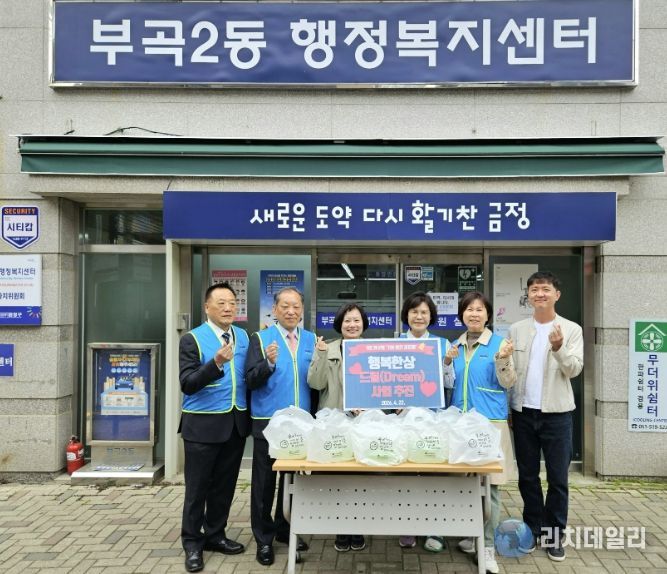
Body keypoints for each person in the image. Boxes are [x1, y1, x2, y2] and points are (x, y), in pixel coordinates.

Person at [500, 271, 583, 562]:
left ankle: (554, 535)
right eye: (534, 290)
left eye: (545, 289)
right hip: (523, 413)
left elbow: (574, 369)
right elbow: (509, 374)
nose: (539, 294)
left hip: (557, 414)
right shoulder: (517, 329)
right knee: (527, 476)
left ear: (556, 295)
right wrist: (509, 406)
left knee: (558, 478)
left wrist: (559, 348)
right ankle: (533, 528)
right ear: (528, 295)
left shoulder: (571, 329)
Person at [178, 282, 250, 573]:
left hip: (234, 424)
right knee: (197, 489)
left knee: (224, 487)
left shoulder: (244, 336)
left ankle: (215, 535)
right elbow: (188, 384)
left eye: (232, 302)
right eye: (221, 303)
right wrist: (216, 363)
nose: (228, 308)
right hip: (202, 427)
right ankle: (192, 543)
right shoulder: (192, 339)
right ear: (207, 307)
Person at [245, 287, 316, 566]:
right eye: (285, 306)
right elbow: (251, 379)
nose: (291, 311)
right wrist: (269, 363)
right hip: (269, 423)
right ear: (274, 310)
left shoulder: (311, 339)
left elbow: (315, 381)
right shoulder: (260, 339)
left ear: (302, 310)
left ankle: (286, 529)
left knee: (294, 481)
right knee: (264, 483)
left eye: (296, 306)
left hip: (301, 423)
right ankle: (263, 539)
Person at [447, 291, 515, 574]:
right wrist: (446, 362)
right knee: (465, 486)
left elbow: (508, 382)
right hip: (461, 425)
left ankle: (487, 547)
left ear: (488, 315)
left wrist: (503, 360)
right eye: (469, 309)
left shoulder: (500, 344)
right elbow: (448, 384)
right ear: (461, 315)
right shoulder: (455, 345)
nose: (474, 314)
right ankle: (469, 536)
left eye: (479, 309)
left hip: (490, 424)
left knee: (491, 489)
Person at [308, 303, 369, 553]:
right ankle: (341, 529)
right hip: (334, 423)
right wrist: (321, 355)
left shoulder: (373, 350)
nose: (352, 325)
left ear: (363, 323)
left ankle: (358, 527)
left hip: (362, 424)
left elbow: (382, 387)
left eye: (356, 320)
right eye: (347, 320)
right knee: (338, 478)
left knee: (361, 478)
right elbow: (315, 383)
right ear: (339, 324)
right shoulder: (327, 348)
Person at [397, 291, 454, 552]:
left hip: (433, 419)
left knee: (433, 474)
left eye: (424, 312)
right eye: (414, 311)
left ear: (431, 316)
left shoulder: (442, 344)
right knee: (406, 474)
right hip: (403, 420)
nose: (418, 316)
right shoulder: (395, 343)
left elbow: (449, 384)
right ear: (406, 315)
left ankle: (435, 528)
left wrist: (446, 362)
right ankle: (408, 525)